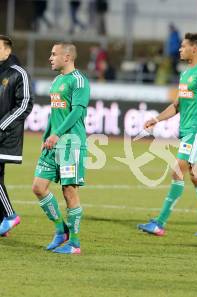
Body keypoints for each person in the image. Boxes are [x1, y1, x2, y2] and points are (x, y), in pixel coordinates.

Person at [138, 33, 197, 237]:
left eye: (183, 46)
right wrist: (157, 119)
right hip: (187, 132)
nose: (179, 49)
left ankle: (159, 223)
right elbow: (177, 105)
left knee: (177, 171)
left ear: (195, 49)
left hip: (196, 132)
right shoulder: (186, 74)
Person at [31, 42, 90, 254]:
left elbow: (77, 112)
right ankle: (60, 230)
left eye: (54, 54)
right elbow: (55, 113)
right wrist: (47, 136)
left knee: (69, 191)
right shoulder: (56, 81)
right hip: (53, 143)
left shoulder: (79, 81)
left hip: (71, 143)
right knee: (38, 187)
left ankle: (74, 244)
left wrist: (57, 134)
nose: (50, 58)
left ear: (67, 57)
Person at [0, 35, 34, 236]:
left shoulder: (18, 73)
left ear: (7, 51)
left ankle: (10, 216)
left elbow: (24, 104)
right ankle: (3, 224)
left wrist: (2, 126)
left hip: (7, 134)